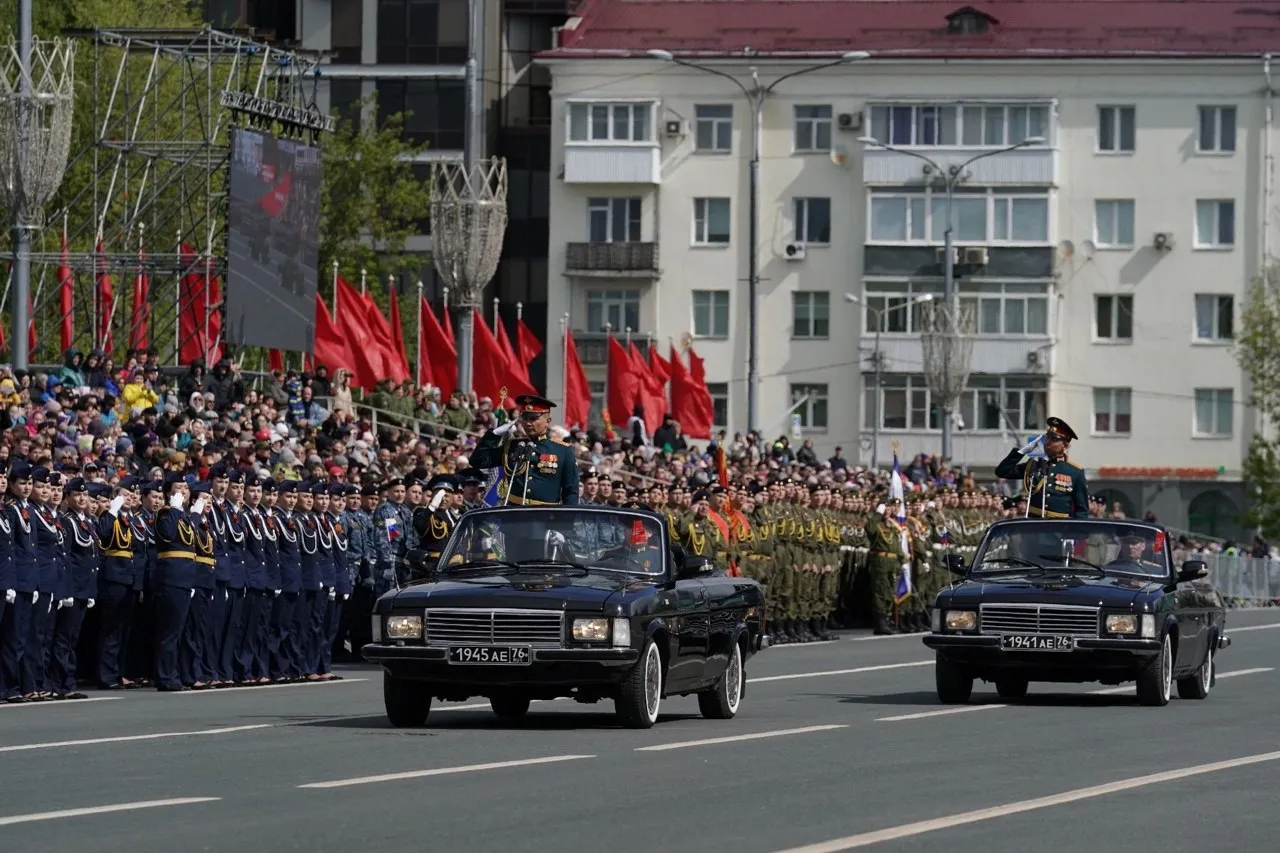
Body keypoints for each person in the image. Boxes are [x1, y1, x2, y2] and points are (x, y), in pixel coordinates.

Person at [471, 395, 579, 506]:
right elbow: (478, 461)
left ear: (548, 421)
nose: (527, 423)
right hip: (515, 515)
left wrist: (567, 521)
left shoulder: (562, 451)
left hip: (546, 517)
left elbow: (571, 492)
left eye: (533, 418)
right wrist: (494, 434)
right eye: (525, 418)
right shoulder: (513, 446)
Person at [994, 417, 1089, 519]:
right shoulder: (1034, 464)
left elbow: (1082, 509)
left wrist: (1077, 534)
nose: (1048, 442)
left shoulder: (1075, 472)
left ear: (1065, 445)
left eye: (1054, 439)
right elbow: (1002, 471)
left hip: (1060, 529)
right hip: (1034, 527)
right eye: (1047, 438)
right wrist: (1022, 451)